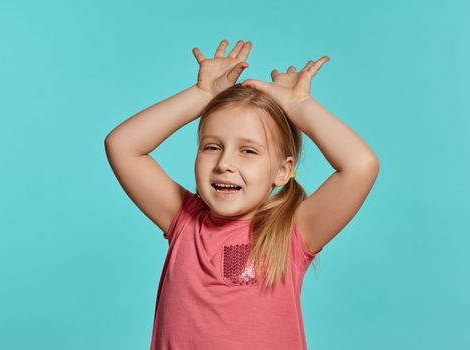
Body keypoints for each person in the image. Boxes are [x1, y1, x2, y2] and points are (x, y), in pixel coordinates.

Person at [104, 39, 379, 350]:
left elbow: (360, 165)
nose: (225, 163)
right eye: (212, 147)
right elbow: (122, 146)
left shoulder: (293, 233)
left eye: (248, 151)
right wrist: (201, 96)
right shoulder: (183, 221)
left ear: (282, 170)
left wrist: (300, 107)